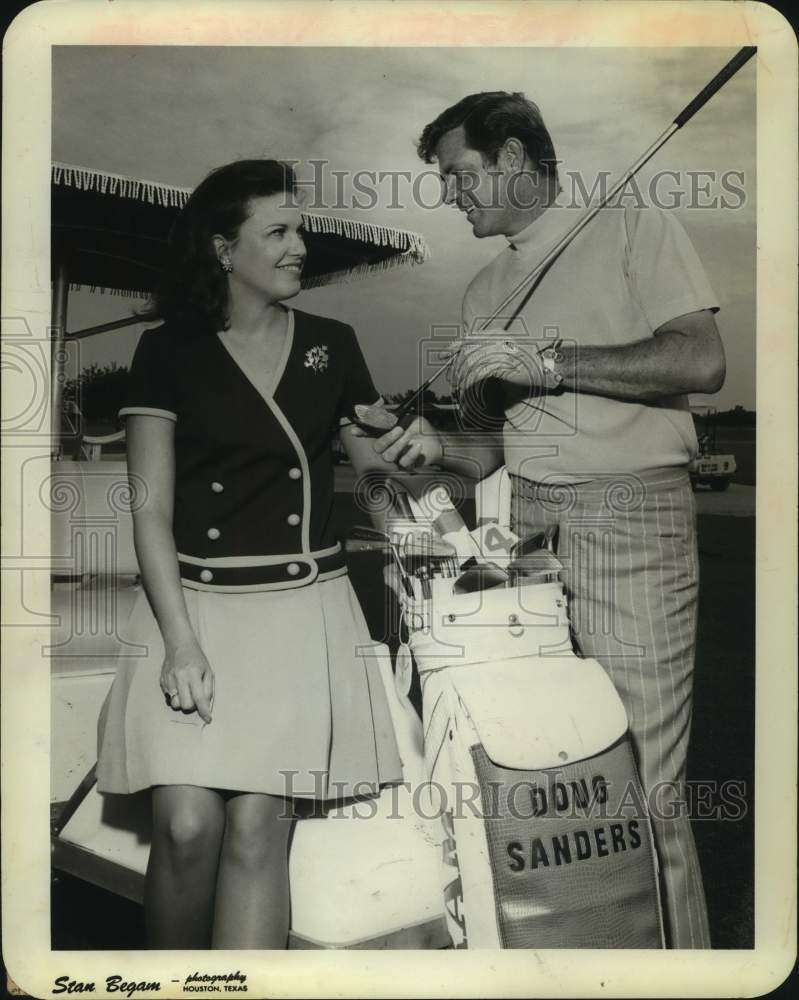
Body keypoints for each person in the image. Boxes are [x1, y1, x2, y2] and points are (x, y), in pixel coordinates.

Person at [368, 92, 725, 948]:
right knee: (560, 785)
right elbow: (491, 448)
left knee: (642, 788)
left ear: (517, 158)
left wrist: (549, 361)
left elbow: (701, 360)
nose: (451, 196)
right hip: (524, 535)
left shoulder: (634, 227)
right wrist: (433, 448)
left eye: (460, 176)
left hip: (631, 521)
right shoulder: (484, 286)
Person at [96, 159, 403, 949]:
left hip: (300, 615)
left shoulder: (332, 347)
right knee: (187, 825)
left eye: (299, 228)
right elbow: (150, 510)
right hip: (192, 609)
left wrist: (405, 459)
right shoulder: (167, 351)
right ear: (224, 250)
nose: (300, 245)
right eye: (279, 231)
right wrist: (180, 644)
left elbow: (372, 475)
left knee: (259, 831)